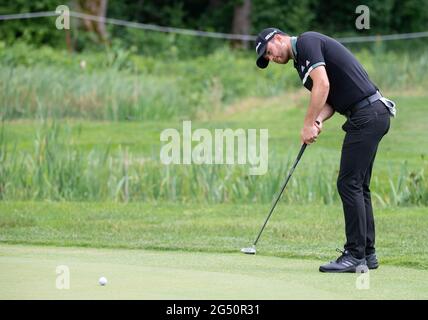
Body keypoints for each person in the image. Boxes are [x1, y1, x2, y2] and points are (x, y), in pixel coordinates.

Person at [255, 27, 396, 273]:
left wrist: (308, 123)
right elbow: (329, 100)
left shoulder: (308, 42)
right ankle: (367, 253)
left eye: (269, 52)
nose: (272, 58)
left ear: (278, 39)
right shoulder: (300, 65)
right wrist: (319, 120)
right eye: (267, 58)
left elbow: (323, 84)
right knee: (358, 185)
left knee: (348, 183)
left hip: (367, 113)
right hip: (370, 114)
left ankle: (354, 255)